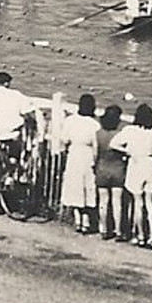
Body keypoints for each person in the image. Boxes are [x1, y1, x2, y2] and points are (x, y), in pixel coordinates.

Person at [114, 105, 152, 248]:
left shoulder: (130, 130)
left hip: (136, 163)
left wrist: (127, 151)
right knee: (150, 203)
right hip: (150, 164)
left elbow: (114, 144)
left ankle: (139, 235)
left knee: (137, 203)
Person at [57, 94, 101, 233]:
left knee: (74, 186)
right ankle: (86, 221)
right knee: (87, 186)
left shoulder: (70, 121)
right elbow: (96, 146)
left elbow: (64, 139)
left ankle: (78, 220)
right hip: (87, 156)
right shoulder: (94, 124)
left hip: (74, 154)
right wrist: (95, 160)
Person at [94, 105, 128, 240]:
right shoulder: (119, 135)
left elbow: (95, 153)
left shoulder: (98, 134)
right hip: (118, 169)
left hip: (102, 168)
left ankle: (103, 228)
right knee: (117, 202)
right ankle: (118, 230)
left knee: (103, 201)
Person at [0, 71, 34, 153]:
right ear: (7, 83)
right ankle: (14, 159)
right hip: (13, 132)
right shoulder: (16, 95)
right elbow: (28, 109)